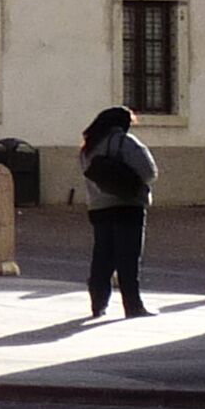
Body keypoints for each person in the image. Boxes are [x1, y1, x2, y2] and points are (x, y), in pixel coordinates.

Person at [80, 102, 157, 319]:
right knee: (128, 258)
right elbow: (149, 171)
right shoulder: (125, 142)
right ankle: (133, 306)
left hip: (98, 208)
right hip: (128, 206)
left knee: (102, 256)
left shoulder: (88, 146)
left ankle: (98, 304)